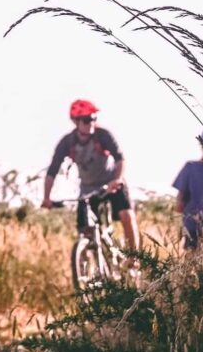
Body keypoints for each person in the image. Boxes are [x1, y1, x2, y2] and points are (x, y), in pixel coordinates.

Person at [41, 99, 140, 254]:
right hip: (87, 188)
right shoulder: (67, 142)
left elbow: (120, 158)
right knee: (86, 229)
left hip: (111, 183)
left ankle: (135, 259)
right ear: (75, 122)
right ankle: (89, 267)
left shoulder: (103, 135)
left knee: (126, 215)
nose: (91, 123)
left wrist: (117, 179)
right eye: (87, 120)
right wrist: (46, 197)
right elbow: (52, 171)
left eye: (94, 119)